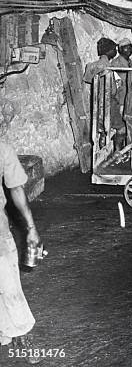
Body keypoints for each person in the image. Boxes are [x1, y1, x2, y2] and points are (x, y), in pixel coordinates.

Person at [0, 140, 43, 363]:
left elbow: (16, 187)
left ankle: (21, 332)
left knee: (9, 284)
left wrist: (31, 228)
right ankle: (6, 331)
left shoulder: (2, 149)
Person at [109, 38, 132, 150]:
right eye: (125, 47)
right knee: (122, 128)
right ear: (119, 49)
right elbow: (113, 86)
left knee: (128, 127)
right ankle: (117, 151)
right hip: (120, 100)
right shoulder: (116, 64)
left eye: (130, 46)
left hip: (129, 99)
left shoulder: (131, 63)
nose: (128, 49)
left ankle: (123, 151)